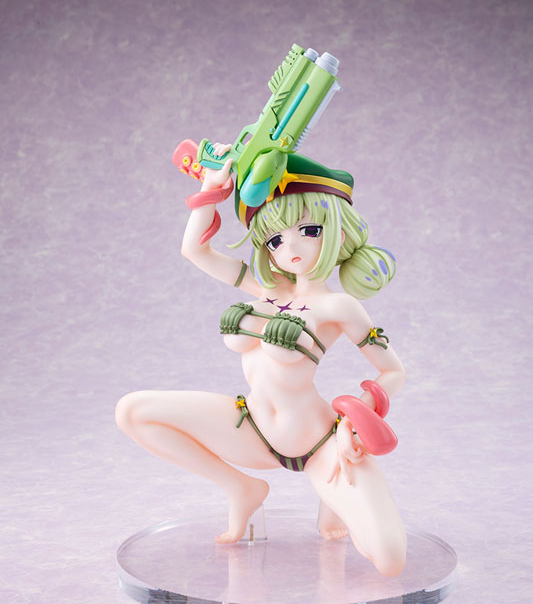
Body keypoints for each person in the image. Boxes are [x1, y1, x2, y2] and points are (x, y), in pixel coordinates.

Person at [115, 144, 407, 577]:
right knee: (133, 412)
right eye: (275, 239)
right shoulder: (264, 290)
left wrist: (355, 422)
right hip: (249, 427)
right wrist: (212, 187)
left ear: (339, 231)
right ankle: (241, 487)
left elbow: (392, 370)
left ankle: (332, 504)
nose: (291, 248)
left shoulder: (338, 307)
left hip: (319, 443)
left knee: (389, 557)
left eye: (309, 230)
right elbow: (194, 251)